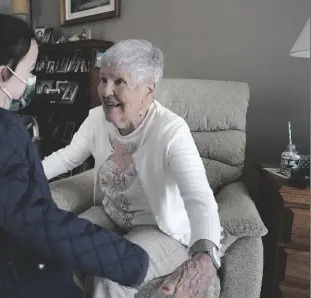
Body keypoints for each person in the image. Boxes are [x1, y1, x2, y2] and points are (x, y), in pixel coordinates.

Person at [0, 5, 149, 298]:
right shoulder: (0, 128)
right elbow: (31, 219)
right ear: (4, 74)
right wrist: (126, 259)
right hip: (4, 280)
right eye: (29, 71)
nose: (32, 79)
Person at [42, 39, 223, 298]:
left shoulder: (171, 131)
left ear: (148, 90)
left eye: (118, 82)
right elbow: (66, 158)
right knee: (62, 246)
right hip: (112, 215)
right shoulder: (96, 119)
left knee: (111, 274)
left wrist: (206, 256)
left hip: (161, 230)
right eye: (103, 79)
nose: (105, 91)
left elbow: (199, 198)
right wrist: (22, 177)